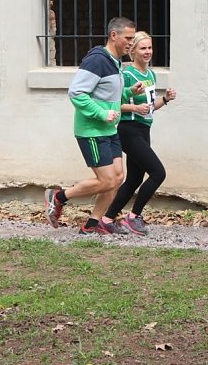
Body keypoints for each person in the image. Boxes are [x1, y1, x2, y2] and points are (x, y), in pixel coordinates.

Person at [44, 17, 144, 235]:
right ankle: (59, 197)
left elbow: (106, 95)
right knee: (107, 180)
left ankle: (92, 224)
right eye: (128, 38)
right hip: (91, 130)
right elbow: (77, 92)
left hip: (109, 128)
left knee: (117, 178)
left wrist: (128, 93)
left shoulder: (116, 61)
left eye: (133, 38)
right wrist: (101, 113)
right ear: (113, 35)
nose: (131, 43)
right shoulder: (97, 60)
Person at [102, 31, 176, 235]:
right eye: (143, 48)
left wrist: (166, 99)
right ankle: (133, 217)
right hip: (128, 130)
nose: (148, 52)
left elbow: (150, 107)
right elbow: (114, 105)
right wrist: (134, 108)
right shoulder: (126, 75)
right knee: (158, 173)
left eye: (150, 48)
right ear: (132, 51)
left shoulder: (150, 75)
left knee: (134, 179)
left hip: (144, 130)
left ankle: (107, 219)